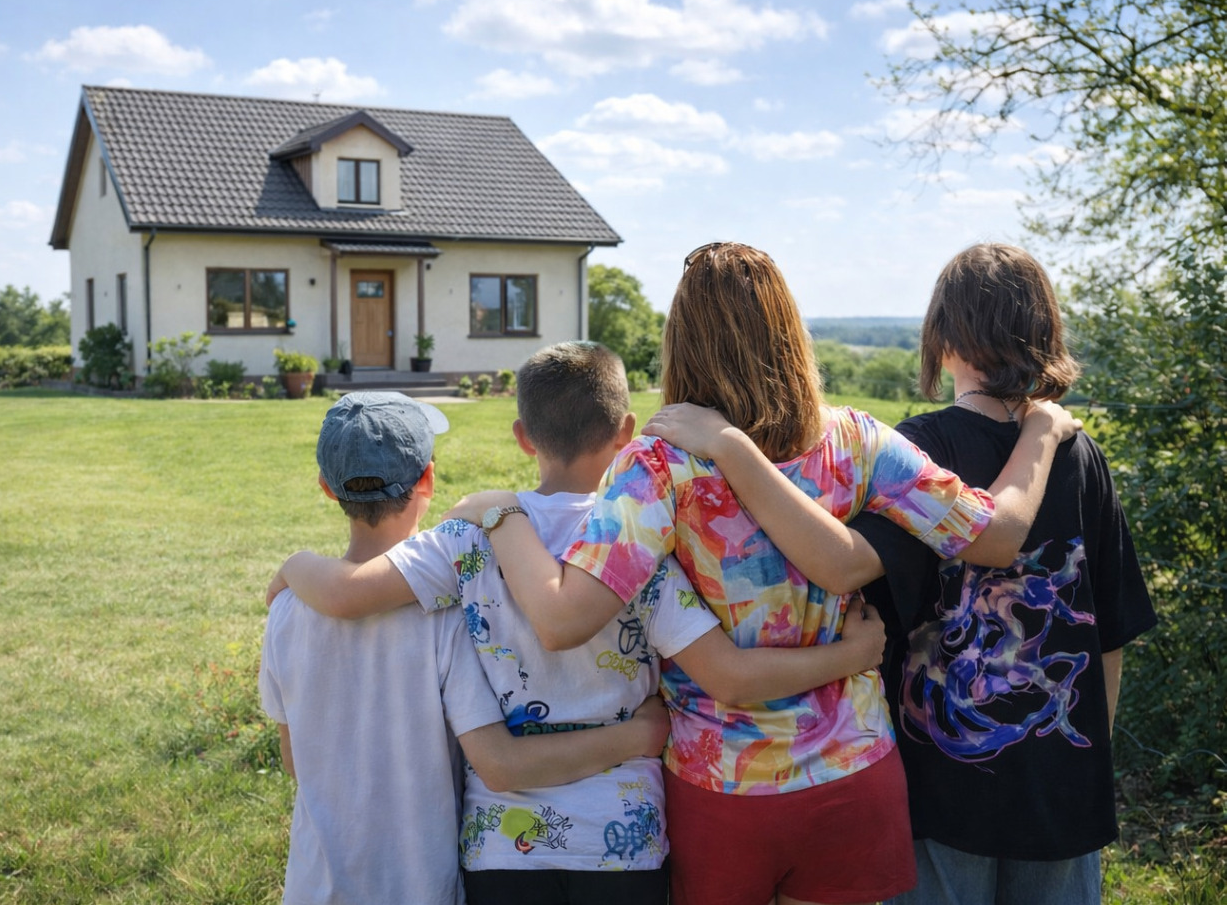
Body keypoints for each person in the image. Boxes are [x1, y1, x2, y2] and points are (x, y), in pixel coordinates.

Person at [449, 242, 1083, 905]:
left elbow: (561, 620)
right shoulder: (859, 441)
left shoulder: (660, 466)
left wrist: (501, 516)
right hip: (852, 772)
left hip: (723, 785)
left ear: (682, 342)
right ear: (791, 332)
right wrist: (1040, 431)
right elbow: (998, 536)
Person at [273, 343, 888, 905]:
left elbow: (351, 592)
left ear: (522, 436)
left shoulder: (469, 537)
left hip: (502, 844)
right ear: (626, 433)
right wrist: (851, 655)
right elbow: (727, 673)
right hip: (622, 839)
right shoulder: (639, 542)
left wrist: (292, 569)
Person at [258, 391, 673, 905]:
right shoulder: (447, 610)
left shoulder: (284, 613)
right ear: (429, 478)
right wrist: (640, 734)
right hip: (421, 882)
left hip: (315, 884)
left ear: (326, 487)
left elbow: (294, 760)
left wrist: (296, 562)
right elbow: (499, 761)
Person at [842, 244, 1157, 905]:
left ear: (945, 338)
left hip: (937, 786)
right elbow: (1111, 635)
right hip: (1059, 791)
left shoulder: (917, 450)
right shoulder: (1077, 452)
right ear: (1044, 334)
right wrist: (1084, 760)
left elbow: (863, 605)